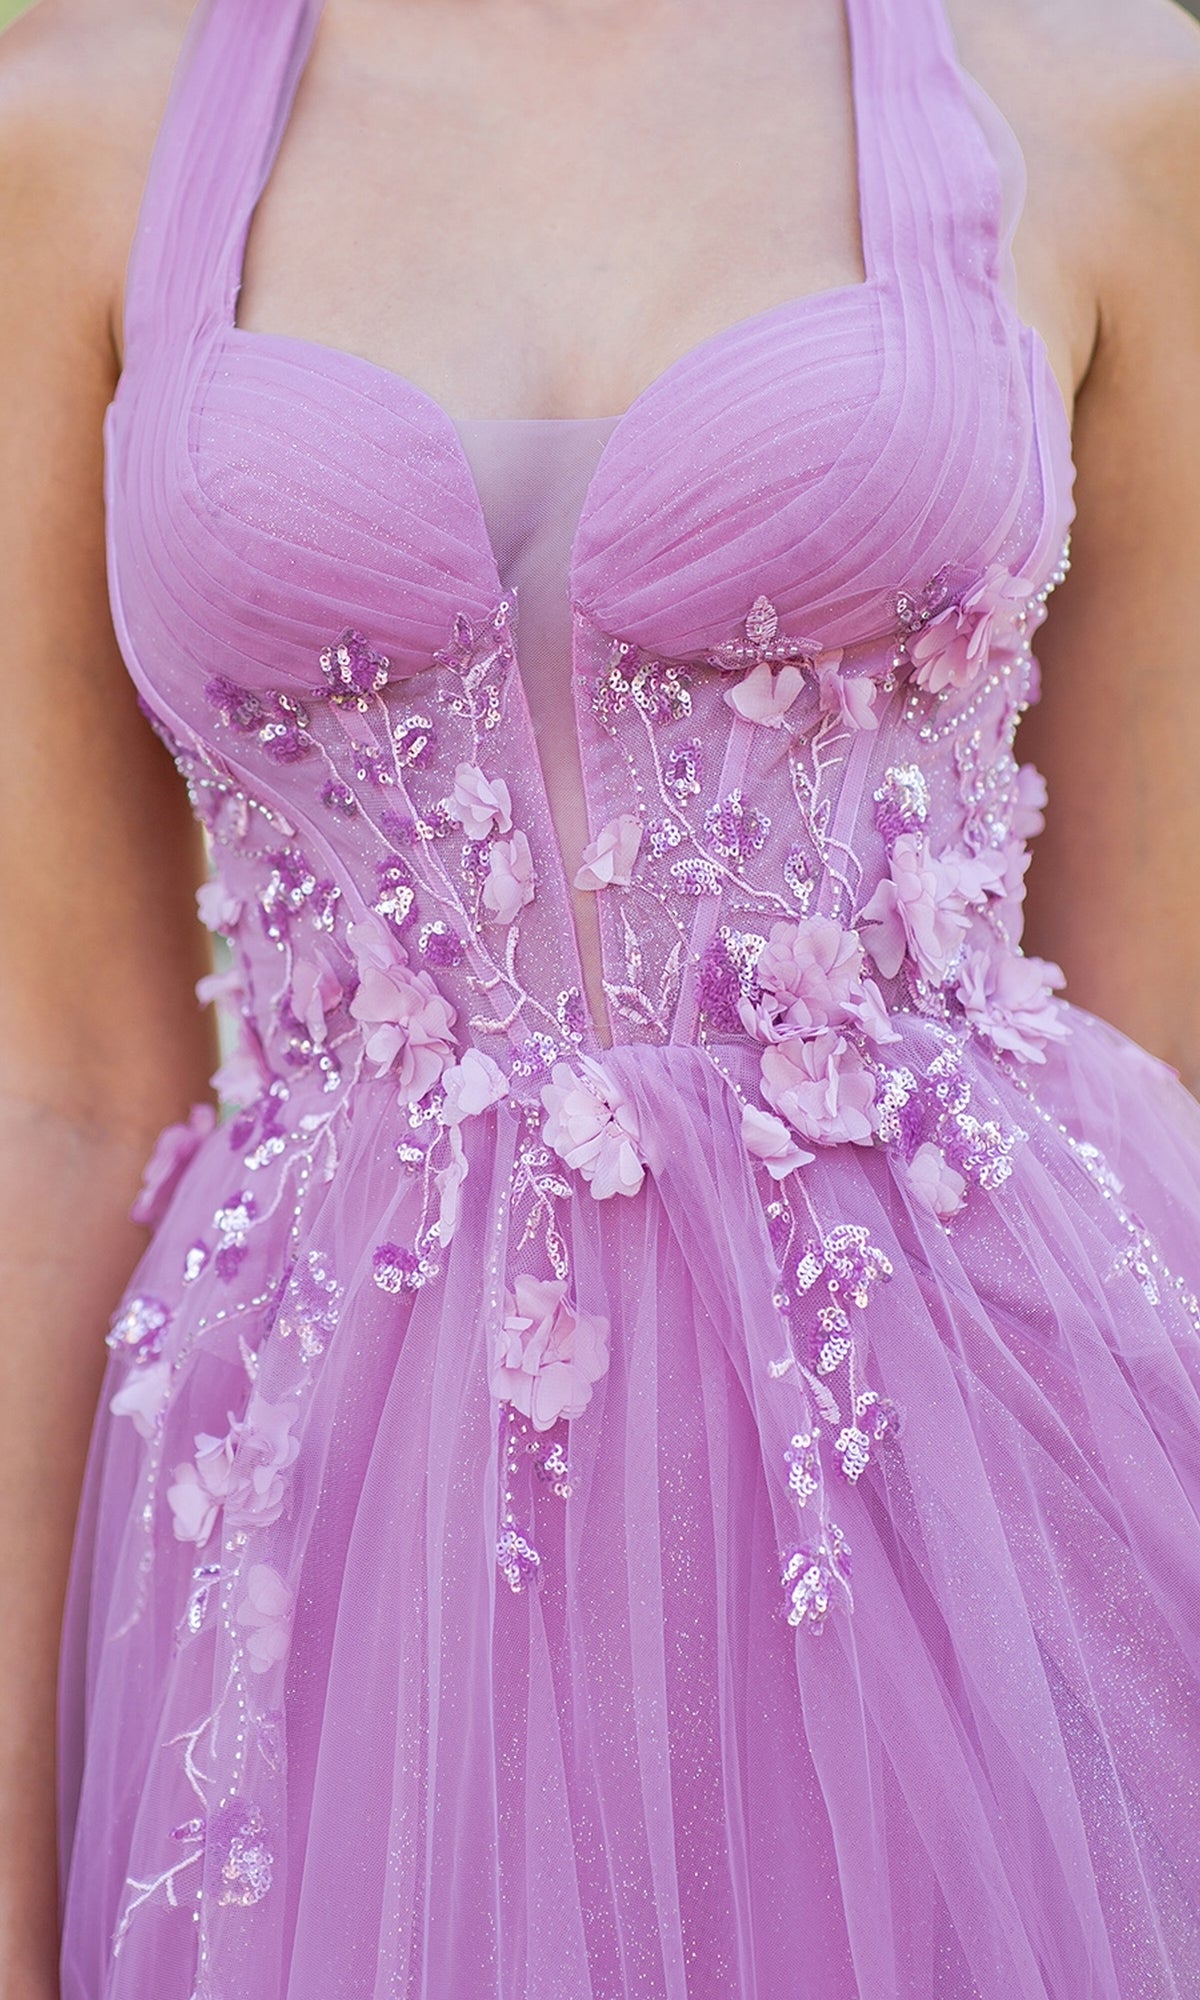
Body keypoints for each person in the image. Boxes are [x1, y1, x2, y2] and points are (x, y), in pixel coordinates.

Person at [2, 0, 1199, 1992]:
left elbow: (1152, 1029)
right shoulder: (65, 139)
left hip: (968, 1508)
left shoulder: (1103, 94)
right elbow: (57, 1091)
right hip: (344, 1589)